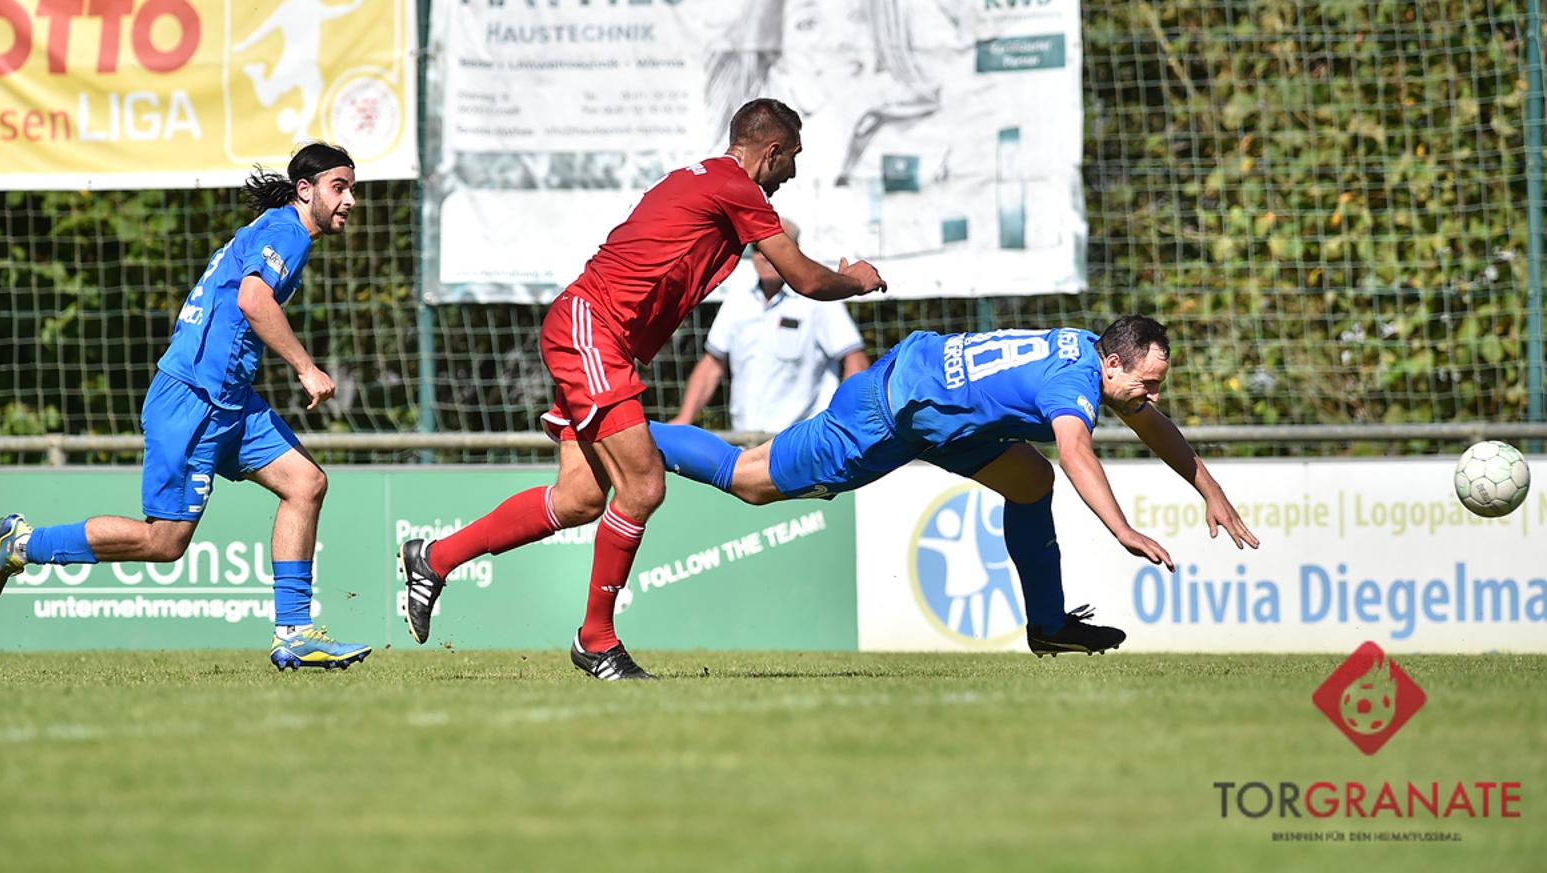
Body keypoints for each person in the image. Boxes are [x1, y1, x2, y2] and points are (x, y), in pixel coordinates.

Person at [398, 98, 886, 680]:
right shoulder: (737, 188)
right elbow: (803, 277)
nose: (794, 174)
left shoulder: (703, 179)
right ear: (772, 151)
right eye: (793, 159)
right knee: (644, 483)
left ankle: (435, 557)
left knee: (579, 499)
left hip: (595, 334)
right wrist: (856, 280)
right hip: (592, 331)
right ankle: (596, 640)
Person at [647, 315, 1261, 656]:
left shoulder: (1087, 351)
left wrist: (1209, 490)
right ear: (1113, 363)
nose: (1151, 397)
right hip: (885, 416)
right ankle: (628, 429)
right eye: (1147, 383)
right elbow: (1077, 451)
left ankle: (1049, 626)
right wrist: (1122, 530)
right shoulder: (1073, 382)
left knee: (1030, 480)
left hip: (935, 411)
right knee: (749, 480)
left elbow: (1151, 425)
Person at [0, 143, 372, 672]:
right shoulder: (288, 233)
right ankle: (24, 544)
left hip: (230, 400)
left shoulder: (277, 228)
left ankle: (295, 633)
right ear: (306, 190)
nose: (350, 200)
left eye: (352, 189)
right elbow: (253, 300)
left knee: (306, 484)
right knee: (164, 542)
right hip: (194, 399)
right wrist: (306, 367)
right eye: (339, 188)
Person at [671, 219, 870, 432]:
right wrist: (684, 419)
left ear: (796, 251)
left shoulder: (818, 299)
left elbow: (854, 358)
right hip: (745, 441)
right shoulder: (738, 299)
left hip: (803, 441)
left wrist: (845, 419)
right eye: (758, 248)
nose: (765, 256)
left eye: (777, 247)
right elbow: (712, 364)